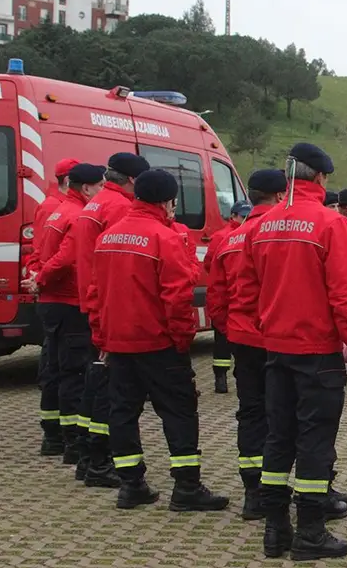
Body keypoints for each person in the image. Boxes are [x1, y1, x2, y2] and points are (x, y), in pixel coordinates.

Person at [237, 142, 347, 561]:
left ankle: (275, 529)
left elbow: (247, 292)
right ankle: (311, 531)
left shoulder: (260, 226)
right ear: (320, 178)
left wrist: (270, 327)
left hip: (275, 351)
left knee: (278, 438)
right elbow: (346, 297)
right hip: (317, 353)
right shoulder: (330, 225)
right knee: (315, 443)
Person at [93, 169, 229, 512]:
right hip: (159, 344)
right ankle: (186, 487)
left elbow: (95, 294)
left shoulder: (107, 237)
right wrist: (182, 340)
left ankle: (131, 485)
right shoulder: (164, 238)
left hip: (119, 343)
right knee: (180, 412)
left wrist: (102, 337)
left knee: (122, 412)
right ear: (168, 202)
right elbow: (177, 299)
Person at [207, 169, 286, 520]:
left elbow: (216, 297)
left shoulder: (230, 239)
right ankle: (289, 489)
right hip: (277, 338)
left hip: (242, 337)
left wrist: (231, 329)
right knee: (285, 414)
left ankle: (253, 493)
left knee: (251, 413)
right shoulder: (279, 234)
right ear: (280, 196)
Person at [28, 163, 105, 462]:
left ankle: (52, 435)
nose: (101, 192)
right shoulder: (76, 215)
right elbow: (65, 258)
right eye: (99, 186)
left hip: (50, 302)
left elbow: (38, 252)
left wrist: (36, 276)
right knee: (73, 372)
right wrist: (42, 278)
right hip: (69, 301)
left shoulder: (57, 212)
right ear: (86, 188)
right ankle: (72, 442)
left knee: (54, 369)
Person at [205, 201, 251, 394]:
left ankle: (222, 377)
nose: (245, 219)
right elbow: (210, 265)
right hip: (229, 300)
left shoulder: (226, 237)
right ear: (232, 216)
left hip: (230, 299)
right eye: (242, 216)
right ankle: (221, 377)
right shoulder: (223, 237)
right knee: (222, 344)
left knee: (223, 342)